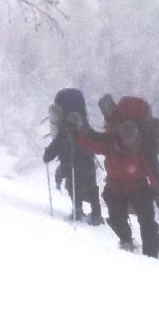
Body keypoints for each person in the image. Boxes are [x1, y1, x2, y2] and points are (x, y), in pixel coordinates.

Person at [77, 93, 159, 257]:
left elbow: (91, 142)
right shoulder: (131, 146)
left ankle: (139, 249)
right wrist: (157, 191)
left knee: (140, 221)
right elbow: (153, 171)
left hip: (123, 187)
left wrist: (157, 191)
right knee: (142, 221)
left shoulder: (114, 143)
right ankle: (140, 250)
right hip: (129, 187)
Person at [42, 88, 103, 223]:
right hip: (88, 163)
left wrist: (47, 155)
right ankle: (96, 213)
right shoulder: (85, 126)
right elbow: (95, 138)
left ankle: (78, 209)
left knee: (72, 185)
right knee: (92, 187)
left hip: (70, 163)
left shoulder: (65, 129)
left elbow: (57, 145)